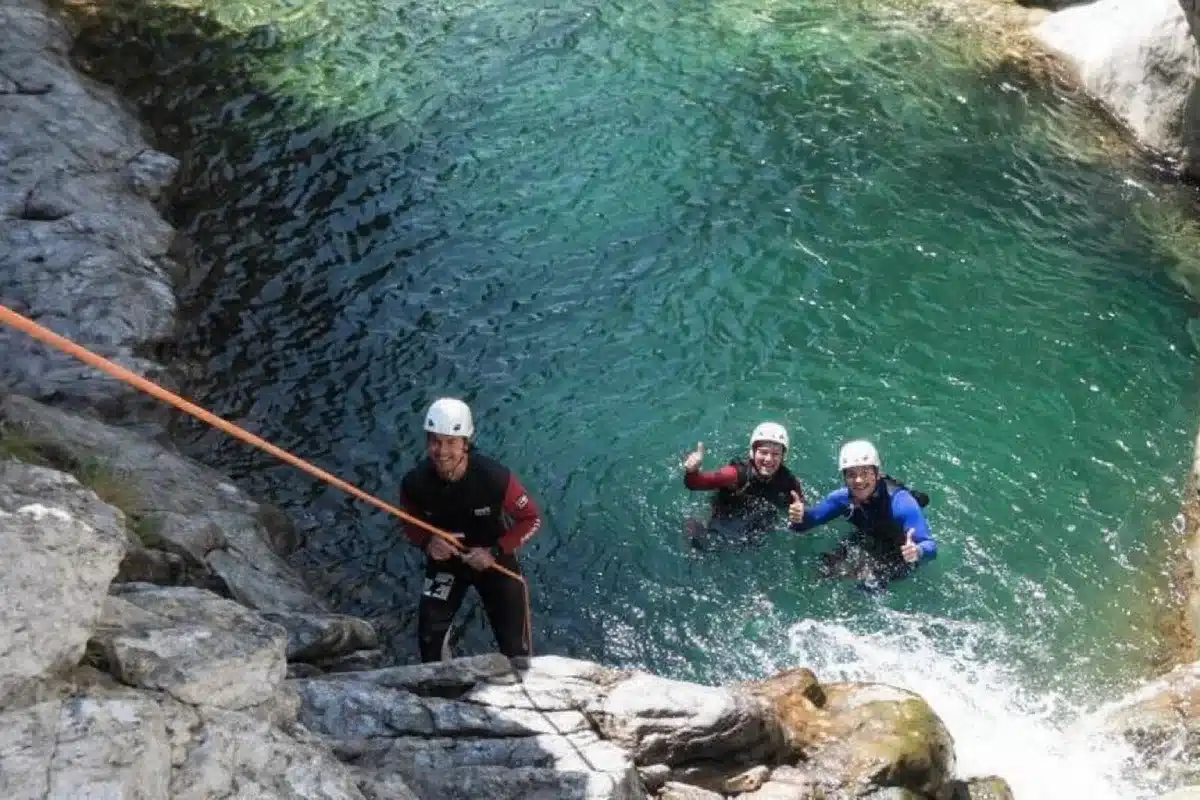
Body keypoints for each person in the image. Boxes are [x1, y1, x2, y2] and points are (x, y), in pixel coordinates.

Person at [398, 397, 542, 662]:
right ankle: (442, 695)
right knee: (429, 639)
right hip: (446, 562)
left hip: (495, 562)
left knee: (515, 647)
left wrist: (495, 552)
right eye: (435, 441)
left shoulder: (495, 478)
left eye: (451, 442)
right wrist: (427, 542)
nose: (442, 452)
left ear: (465, 444)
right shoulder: (415, 483)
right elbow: (408, 518)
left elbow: (531, 519)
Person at [788, 439, 936, 590]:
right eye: (852, 474)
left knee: (868, 585)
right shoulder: (841, 499)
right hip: (868, 537)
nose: (858, 480)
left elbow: (930, 546)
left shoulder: (902, 503)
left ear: (877, 474)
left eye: (865, 473)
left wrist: (917, 551)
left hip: (900, 551)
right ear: (844, 478)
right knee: (825, 569)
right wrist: (799, 517)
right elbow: (807, 523)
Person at [681, 422, 806, 550]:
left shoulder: (789, 481)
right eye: (763, 452)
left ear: (783, 456)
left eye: (775, 454)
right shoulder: (736, 474)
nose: (768, 459)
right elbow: (694, 483)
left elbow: (800, 507)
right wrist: (692, 471)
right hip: (722, 521)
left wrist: (799, 512)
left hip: (755, 533)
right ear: (752, 453)